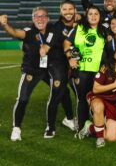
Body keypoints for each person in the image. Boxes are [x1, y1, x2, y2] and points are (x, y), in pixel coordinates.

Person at [1, 9, 67, 140]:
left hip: (48, 69)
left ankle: (64, 120)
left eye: (43, 16)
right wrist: (5, 25)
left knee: (62, 92)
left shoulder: (53, 31)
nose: (40, 19)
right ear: (33, 19)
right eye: (36, 16)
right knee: (23, 98)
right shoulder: (29, 32)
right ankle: (16, 128)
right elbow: (14, 32)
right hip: (32, 70)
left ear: (47, 19)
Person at [81, 45, 116, 148]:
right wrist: (115, 85)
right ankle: (99, 139)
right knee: (98, 107)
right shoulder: (106, 67)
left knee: (112, 138)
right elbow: (96, 89)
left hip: (115, 104)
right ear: (115, 55)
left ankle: (90, 127)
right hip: (99, 97)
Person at [64, 6, 109, 134]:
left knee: (98, 98)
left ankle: (99, 123)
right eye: (90, 14)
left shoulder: (104, 31)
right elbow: (66, 43)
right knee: (82, 98)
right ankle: (81, 127)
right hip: (80, 70)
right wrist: (69, 58)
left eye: (96, 14)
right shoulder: (78, 28)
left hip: (98, 71)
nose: (93, 16)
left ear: (100, 16)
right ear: (87, 16)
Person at [51, 0, 79, 131]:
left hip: (75, 61)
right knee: (62, 89)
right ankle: (69, 118)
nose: (68, 12)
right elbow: (65, 46)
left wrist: (76, 59)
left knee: (81, 90)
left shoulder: (80, 24)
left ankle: (84, 116)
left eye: (70, 9)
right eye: (65, 9)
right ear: (60, 11)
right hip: (60, 63)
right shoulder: (57, 27)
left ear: (75, 10)